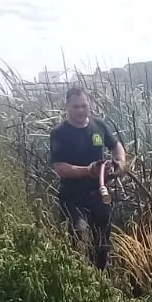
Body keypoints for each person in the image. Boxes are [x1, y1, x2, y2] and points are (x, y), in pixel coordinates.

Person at [49, 85, 127, 270]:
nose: (80, 110)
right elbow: (60, 168)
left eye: (84, 105)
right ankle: (77, 279)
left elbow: (116, 146)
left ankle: (101, 278)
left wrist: (120, 163)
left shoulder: (98, 126)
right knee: (79, 236)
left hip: (100, 196)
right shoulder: (59, 133)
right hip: (73, 198)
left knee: (102, 244)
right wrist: (88, 170)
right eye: (76, 107)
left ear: (89, 104)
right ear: (66, 106)